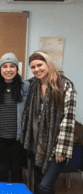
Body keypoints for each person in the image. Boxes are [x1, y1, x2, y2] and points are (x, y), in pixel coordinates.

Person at [21, 51, 76, 194]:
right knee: (38, 184)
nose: (36, 69)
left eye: (40, 65)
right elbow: (14, 83)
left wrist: (61, 149)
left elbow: (68, 120)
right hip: (37, 146)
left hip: (57, 147)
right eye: (33, 67)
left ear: (48, 63)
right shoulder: (33, 85)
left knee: (45, 186)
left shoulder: (65, 85)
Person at [0, 52, 30, 182]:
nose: (8, 70)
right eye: (4, 66)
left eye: (12, 66)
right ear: (0, 69)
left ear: (17, 69)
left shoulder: (25, 87)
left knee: (17, 173)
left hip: (18, 138)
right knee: (1, 173)